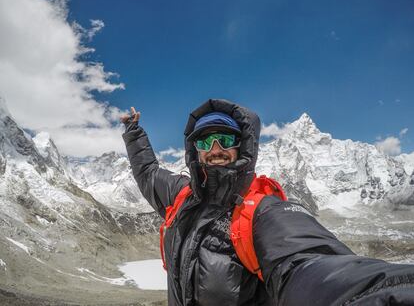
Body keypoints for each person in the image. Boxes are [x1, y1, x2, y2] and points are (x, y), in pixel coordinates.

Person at [121, 99, 414, 306]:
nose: (215, 150)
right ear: (194, 151)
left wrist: (385, 293)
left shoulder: (262, 211)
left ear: (242, 146)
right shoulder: (182, 195)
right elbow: (148, 173)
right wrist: (134, 133)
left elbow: (309, 262)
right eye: (204, 142)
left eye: (225, 139)